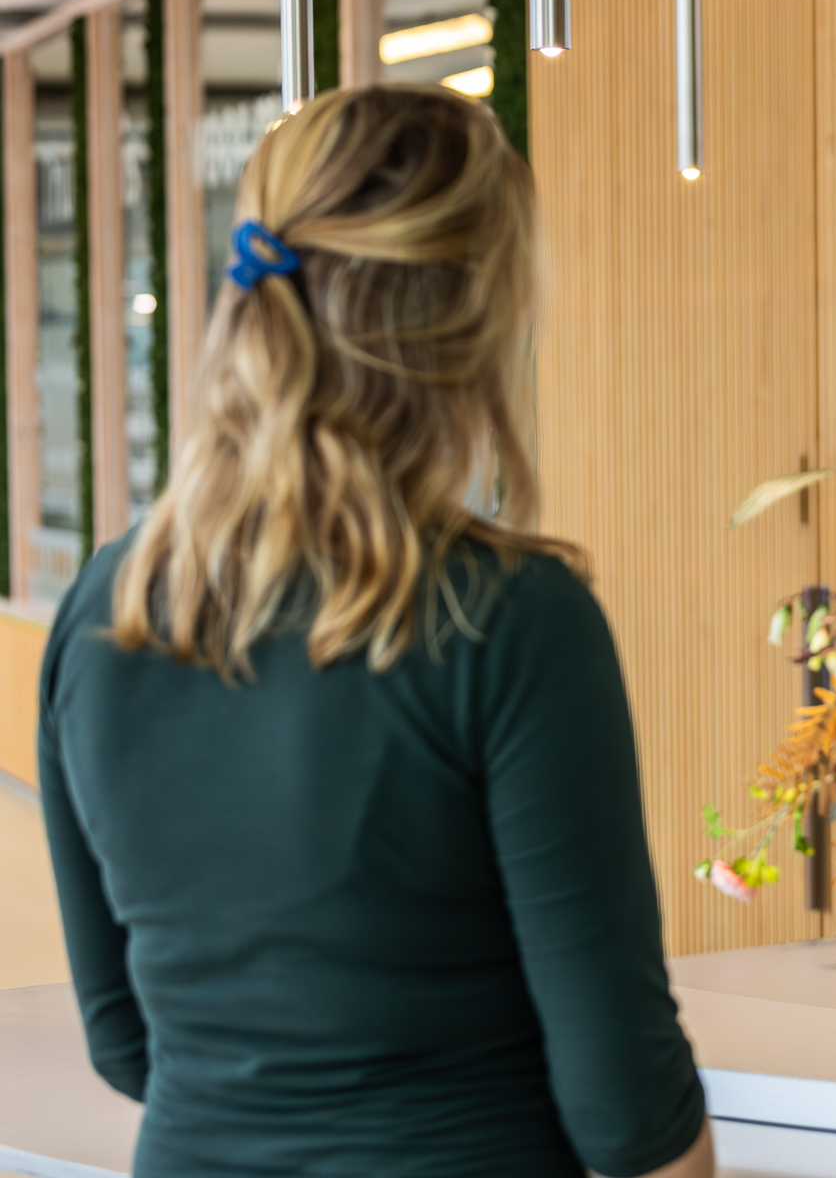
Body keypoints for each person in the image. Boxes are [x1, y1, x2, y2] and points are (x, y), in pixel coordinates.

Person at [38, 87, 713, 1177]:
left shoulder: (107, 608)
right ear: (478, 314)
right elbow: (627, 1113)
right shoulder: (508, 617)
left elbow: (125, 1044)